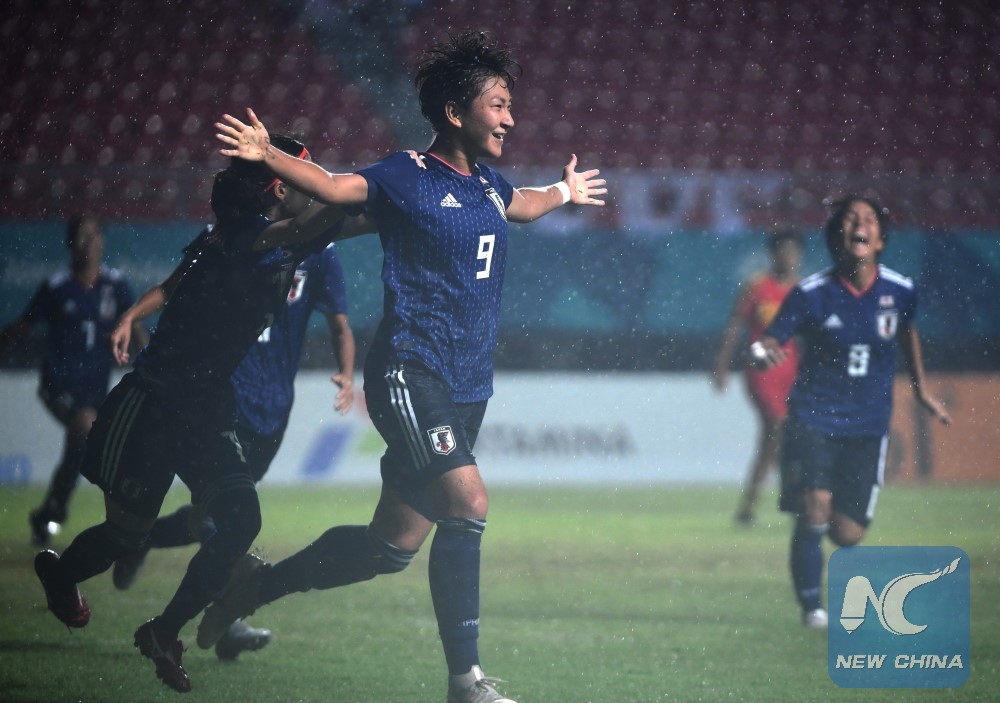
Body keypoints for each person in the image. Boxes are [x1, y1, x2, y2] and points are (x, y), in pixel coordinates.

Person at [200, 30, 607, 703]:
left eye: (509, 105)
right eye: (499, 104)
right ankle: (466, 682)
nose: (510, 117)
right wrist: (267, 153)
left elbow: (525, 206)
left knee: (388, 548)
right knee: (468, 505)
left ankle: (255, 586)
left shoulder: (486, 186)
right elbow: (334, 186)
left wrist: (564, 190)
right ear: (454, 112)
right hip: (409, 373)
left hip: (467, 388)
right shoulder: (406, 174)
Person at [32, 134, 362, 693]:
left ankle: (164, 631)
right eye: (303, 175)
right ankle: (60, 572)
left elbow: (340, 219)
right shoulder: (251, 236)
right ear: (281, 188)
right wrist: (386, 186)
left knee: (240, 521)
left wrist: (405, 198)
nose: (314, 185)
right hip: (154, 404)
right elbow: (328, 215)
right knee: (125, 536)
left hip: (207, 408)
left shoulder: (242, 237)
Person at [106, 239, 357, 661]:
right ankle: (226, 619)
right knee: (230, 517)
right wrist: (133, 316)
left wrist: (347, 373)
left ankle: (143, 540)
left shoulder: (320, 251)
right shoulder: (234, 235)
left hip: (274, 407)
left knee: (211, 517)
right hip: (224, 396)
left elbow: (340, 324)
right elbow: (173, 289)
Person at [750, 195, 951, 628]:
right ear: (835, 236)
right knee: (814, 506)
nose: (859, 224)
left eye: (868, 219)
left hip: (868, 423)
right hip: (814, 417)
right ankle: (811, 608)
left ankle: (819, 538)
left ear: (879, 240)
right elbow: (768, 341)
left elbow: (907, 332)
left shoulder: (900, 291)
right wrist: (761, 354)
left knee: (847, 533)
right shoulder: (810, 294)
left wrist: (920, 389)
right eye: (849, 219)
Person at [0, 215, 145, 546]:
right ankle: (108, 523)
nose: (88, 242)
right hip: (58, 385)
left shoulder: (116, 285)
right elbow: (22, 327)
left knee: (80, 446)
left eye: (94, 235)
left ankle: (49, 513)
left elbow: (135, 328)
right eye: (82, 235)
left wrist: (152, 362)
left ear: (103, 241)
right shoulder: (56, 287)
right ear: (70, 243)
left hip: (96, 390)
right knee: (85, 426)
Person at [712, 228, 804, 525]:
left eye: (794, 252)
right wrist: (721, 367)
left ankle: (750, 506)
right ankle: (788, 500)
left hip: (791, 371)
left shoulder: (801, 291)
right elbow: (735, 327)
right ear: (773, 254)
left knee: (777, 438)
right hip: (761, 370)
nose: (789, 257)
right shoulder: (757, 287)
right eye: (784, 251)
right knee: (777, 427)